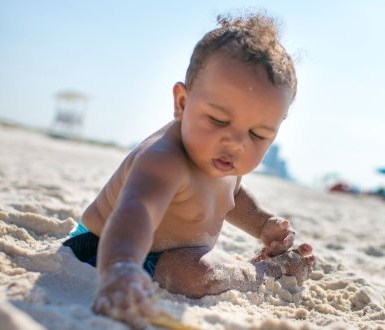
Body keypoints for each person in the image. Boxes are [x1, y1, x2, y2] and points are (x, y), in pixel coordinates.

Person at [63, 12, 315, 327]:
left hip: (174, 255)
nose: (236, 142)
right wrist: (121, 268)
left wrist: (263, 224)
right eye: (219, 120)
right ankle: (268, 272)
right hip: (110, 248)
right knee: (196, 272)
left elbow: (232, 194)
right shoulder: (163, 159)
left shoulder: (219, 156)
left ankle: (269, 267)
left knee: (195, 266)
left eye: (258, 135)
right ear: (182, 102)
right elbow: (135, 211)